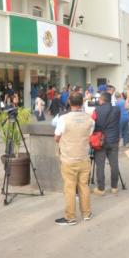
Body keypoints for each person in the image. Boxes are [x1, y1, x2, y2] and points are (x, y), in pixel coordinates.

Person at [53, 92, 95, 224]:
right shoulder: (90, 119)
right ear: (82, 103)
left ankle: (70, 217)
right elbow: (89, 135)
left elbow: (56, 137)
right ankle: (86, 213)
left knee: (70, 188)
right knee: (84, 186)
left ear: (69, 103)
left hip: (68, 159)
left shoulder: (63, 119)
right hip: (84, 157)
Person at [92, 92, 122, 195]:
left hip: (101, 140)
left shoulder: (97, 110)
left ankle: (101, 188)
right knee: (114, 164)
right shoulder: (117, 109)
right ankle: (114, 187)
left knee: (100, 165)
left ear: (102, 100)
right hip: (113, 140)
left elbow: (93, 124)